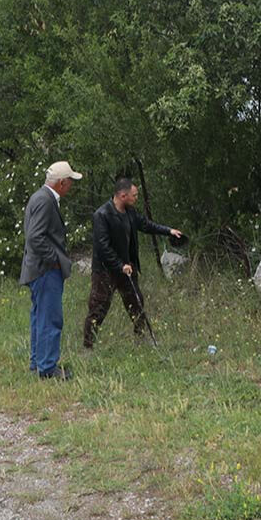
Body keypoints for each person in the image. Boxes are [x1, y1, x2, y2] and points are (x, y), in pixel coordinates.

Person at [83, 177, 184, 349]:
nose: (136, 198)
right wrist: (119, 265)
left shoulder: (130, 213)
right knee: (98, 308)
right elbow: (103, 247)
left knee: (136, 304)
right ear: (123, 195)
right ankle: (88, 345)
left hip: (127, 268)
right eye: (134, 195)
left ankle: (142, 339)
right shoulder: (102, 215)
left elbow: (146, 225)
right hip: (105, 271)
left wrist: (168, 231)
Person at [19, 160, 82, 380]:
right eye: (70, 182)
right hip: (45, 270)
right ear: (62, 183)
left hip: (37, 269)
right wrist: (54, 259)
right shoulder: (46, 201)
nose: (71, 187)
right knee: (50, 318)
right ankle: (47, 368)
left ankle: (38, 364)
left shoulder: (39, 197)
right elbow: (35, 237)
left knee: (39, 317)